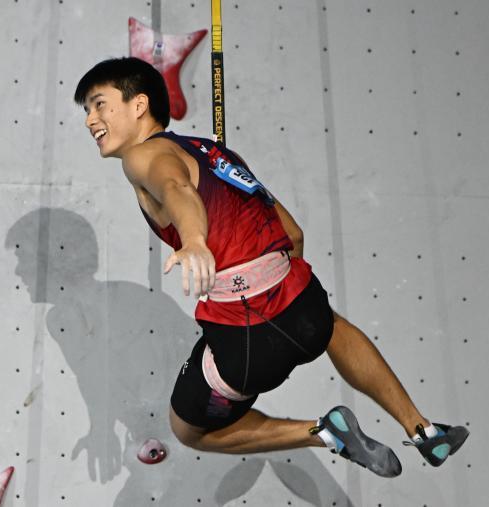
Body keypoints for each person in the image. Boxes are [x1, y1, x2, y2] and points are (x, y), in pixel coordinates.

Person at [73, 56, 468, 477]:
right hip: (303, 311)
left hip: (248, 339)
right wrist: (280, 293)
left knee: (188, 429)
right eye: (87, 110)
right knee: (329, 323)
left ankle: (323, 433)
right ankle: (424, 430)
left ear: (139, 105)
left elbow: (176, 187)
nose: (90, 120)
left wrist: (195, 241)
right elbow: (292, 234)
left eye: (99, 104)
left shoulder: (141, 157)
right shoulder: (216, 153)